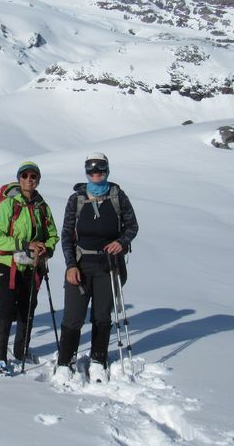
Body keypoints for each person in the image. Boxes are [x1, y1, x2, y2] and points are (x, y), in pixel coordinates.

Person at [57, 152, 138, 382]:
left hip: (109, 265)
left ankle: (98, 359)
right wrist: (70, 265)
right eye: (91, 170)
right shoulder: (77, 199)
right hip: (81, 264)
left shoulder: (117, 196)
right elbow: (66, 235)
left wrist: (121, 243)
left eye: (100, 169)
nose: (96, 174)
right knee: (73, 316)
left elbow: (132, 226)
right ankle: (65, 361)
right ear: (86, 172)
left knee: (102, 315)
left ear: (107, 170)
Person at [0, 161, 59, 376]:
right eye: (25, 175)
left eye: (33, 176)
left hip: (33, 266)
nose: (29, 179)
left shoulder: (42, 207)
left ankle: (21, 351)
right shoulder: (9, 205)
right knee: (6, 310)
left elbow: (53, 235)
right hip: (8, 265)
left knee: (27, 311)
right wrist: (26, 245)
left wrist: (46, 248)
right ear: (19, 179)